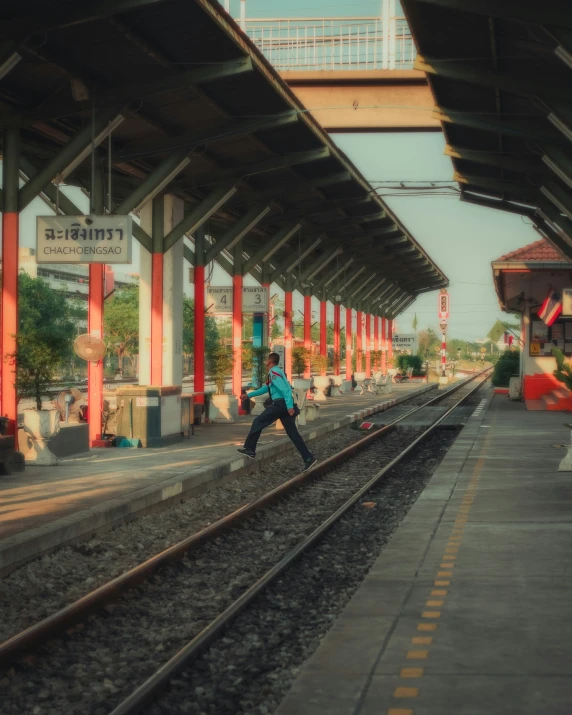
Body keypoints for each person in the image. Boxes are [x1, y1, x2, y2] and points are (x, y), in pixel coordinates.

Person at [237, 352, 317, 471]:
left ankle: (250, 449)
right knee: (293, 434)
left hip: (281, 404)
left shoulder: (274, 372)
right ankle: (308, 458)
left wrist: (289, 406)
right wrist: (249, 395)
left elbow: (285, 390)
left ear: (269, 361)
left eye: (266, 359)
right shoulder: (275, 373)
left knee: (258, 422)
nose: (265, 361)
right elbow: (266, 388)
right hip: (284, 404)